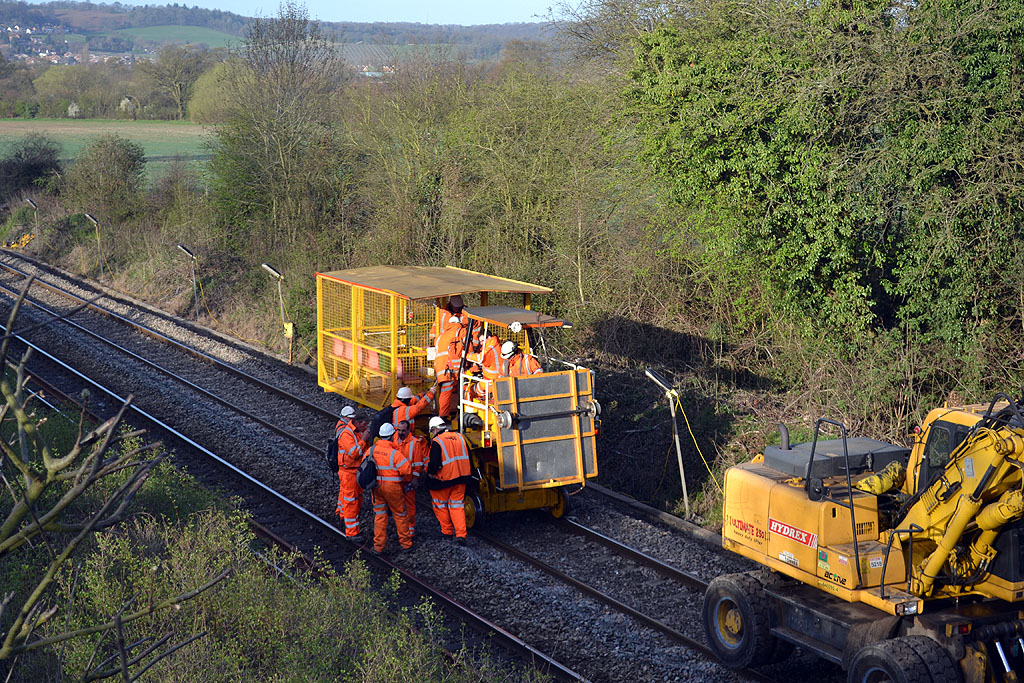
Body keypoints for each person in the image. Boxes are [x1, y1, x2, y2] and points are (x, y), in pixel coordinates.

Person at [425, 416, 473, 545]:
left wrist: (430, 474)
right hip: (462, 478)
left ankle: (446, 531)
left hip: (444, 480)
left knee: (440, 505)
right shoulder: (460, 437)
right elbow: (469, 456)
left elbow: (434, 462)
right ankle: (461, 535)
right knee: (457, 506)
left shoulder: (437, 441)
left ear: (435, 429)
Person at [369, 422, 413, 553]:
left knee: (380, 515)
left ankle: (378, 546)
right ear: (392, 435)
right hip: (393, 488)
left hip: (376, 487)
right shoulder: (394, 453)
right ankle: (406, 544)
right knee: (400, 514)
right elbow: (407, 470)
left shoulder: (372, 449)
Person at [391, 419, 429, 538]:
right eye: (399, 430)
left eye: (403, 431)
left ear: (408, 430)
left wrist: (415, 478)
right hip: (396, 479)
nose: (401, 433)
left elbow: (418, 463)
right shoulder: (394, 439)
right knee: (397, 506)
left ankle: (410, 529)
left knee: (409, 505)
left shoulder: (415, 443)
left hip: (408, 479)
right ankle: (401, 529)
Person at [336, 410, 371, 539]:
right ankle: (352, 532)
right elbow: (354, 453)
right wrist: (363, 439)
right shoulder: (347, 434)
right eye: (364, 425)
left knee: (356, 500)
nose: (366, 428)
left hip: (356, 471)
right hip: (348, 472)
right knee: (351, 501)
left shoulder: (356, 432)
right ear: (357, 423)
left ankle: (344, 516)